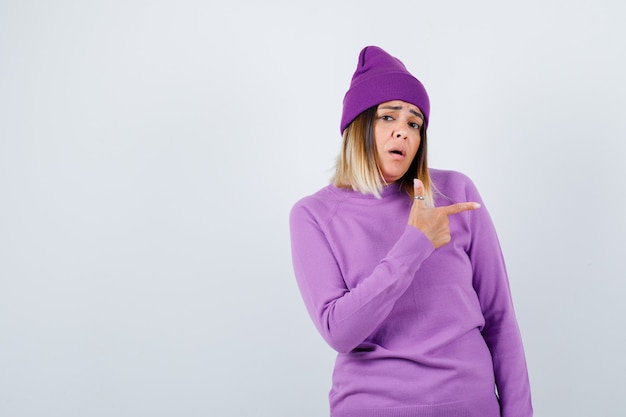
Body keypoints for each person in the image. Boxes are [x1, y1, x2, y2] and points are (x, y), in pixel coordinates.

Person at [289, 45, 533, 417]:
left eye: (414, 123)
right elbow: (338, 332)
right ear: (358, 125)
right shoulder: (314, 215)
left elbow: (499, 318)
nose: (402, 132)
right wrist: (415, 243)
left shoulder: (455, 194)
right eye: (388, 117)